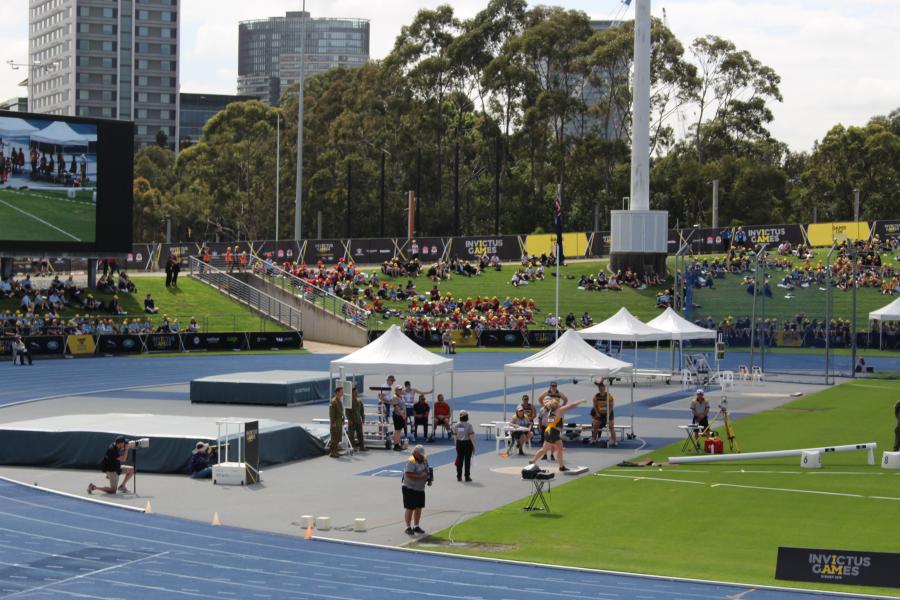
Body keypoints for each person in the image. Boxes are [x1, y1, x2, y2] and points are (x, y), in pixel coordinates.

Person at [529, 398, 586, 472]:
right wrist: (580, 401)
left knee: (560, 449)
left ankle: (561, 466)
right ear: (556, 405)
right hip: (552, 432)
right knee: (544, 449)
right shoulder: (559, 410)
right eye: (558, 402)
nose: (560, 403)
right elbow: (571, 406)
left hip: (552, 431)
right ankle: (533, 461)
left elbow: (547, 421)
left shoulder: (551, 412)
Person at [401, 444, 431, 535]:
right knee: (410, 508)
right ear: (415, 453)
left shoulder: (424, 459)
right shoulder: (411, 461)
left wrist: (429, 479)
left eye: (423, 454)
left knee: (419, 508)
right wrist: (420, 476)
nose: (422, 456)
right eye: (420, 454)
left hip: (420, 488)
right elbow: (408, 474)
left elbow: (428, 470)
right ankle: (408, 527)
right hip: (410, 488)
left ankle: (416, 526)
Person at [590, 381, 616, 446]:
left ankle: (614, 441)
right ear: (599, 389)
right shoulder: (596, 396)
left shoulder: (609, 396)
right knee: (595, 426)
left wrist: (608, 413)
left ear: (604, 388)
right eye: (600, 388)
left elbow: (611, 405)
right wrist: (597, 413)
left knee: (611, 427)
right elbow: (595, 406)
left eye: (602, 388)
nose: (601, 389)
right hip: (599, 413)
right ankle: (593, 439)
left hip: (609, 413)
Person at [453, 410, 476, 482]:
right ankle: (467, 476)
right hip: (467, 443)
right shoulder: (469, 425)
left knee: (459, 460)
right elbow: (471, 436)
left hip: (459, 443)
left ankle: (459, 476)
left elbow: (455, 436)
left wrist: (456, 444)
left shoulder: (456, 425)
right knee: (467, 460)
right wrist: (474, 445)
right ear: (466, 417)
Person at [329, 387, 346, 458]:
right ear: (337, 392)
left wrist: (343, 420)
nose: (342, 393)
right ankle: (332, 453)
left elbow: (341, 412)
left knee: (338, 438)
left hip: (339, 422)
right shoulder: (333, 401)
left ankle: (335, 451)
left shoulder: (339, 401)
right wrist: (333, 423)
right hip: (335, 422)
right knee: (334, 438)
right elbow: (331, 413)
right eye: (341, 391)